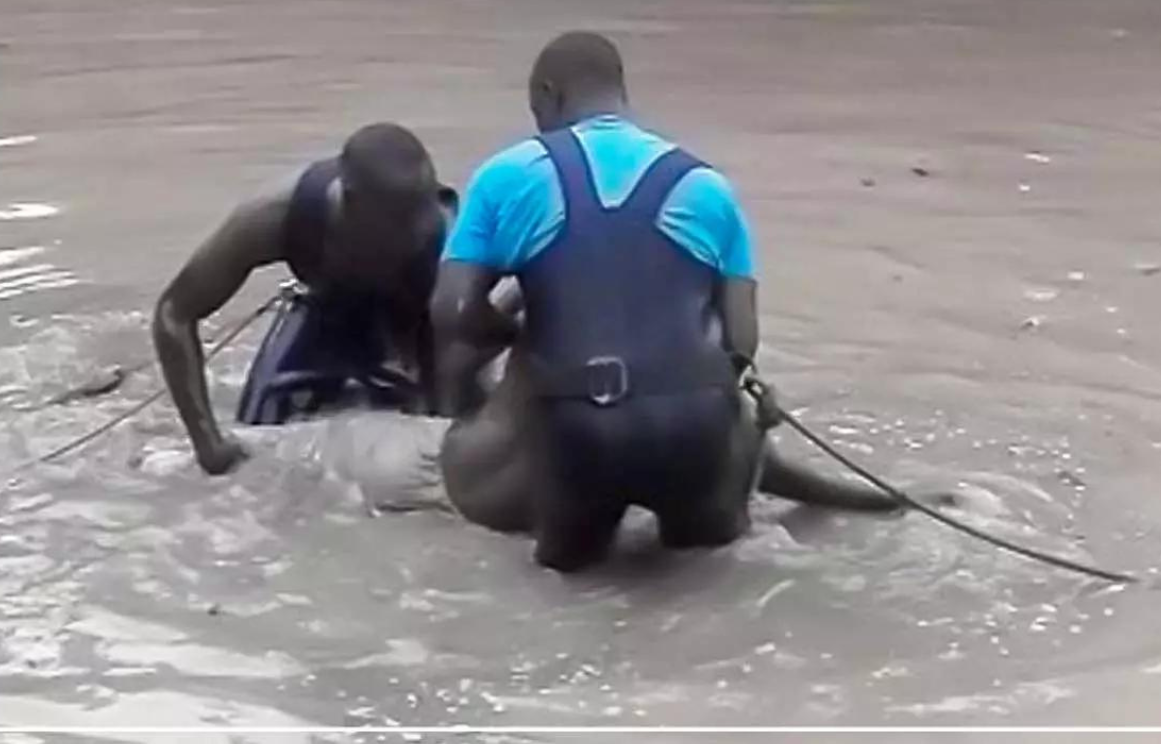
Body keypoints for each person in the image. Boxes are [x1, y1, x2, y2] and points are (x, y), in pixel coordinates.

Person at [433, 32, 900, 572]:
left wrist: (518, 338)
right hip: (695, 426)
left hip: (581, 431)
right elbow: (740, 344)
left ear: (546, 93)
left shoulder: (506, 176)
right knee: (705, 577)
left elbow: (451, 313)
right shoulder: (709, 188)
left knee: (573, 585)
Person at [153, 123, 456, 476]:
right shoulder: (277, 217)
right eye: (404, 221)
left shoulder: (447, 235)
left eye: (425, 212)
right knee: (255, 436)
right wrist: (207, 443)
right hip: (326, 305)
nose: (422, 229)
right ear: (351, 202)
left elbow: (459, 340)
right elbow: (174, 313)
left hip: (416, 318)